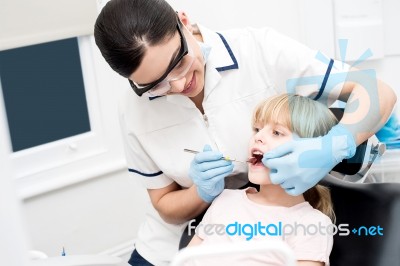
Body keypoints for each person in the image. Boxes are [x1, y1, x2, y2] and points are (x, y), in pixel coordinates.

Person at [93, 0, 396, 264]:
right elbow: (165, 207)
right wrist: (200, 193)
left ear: (184, 22)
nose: (177, 83)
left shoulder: (261, 50)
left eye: (179, 62)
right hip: (167, 250)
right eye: (156, 84)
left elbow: (375, 91)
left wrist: (331, 147)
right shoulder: (134, 108)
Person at [187, 94, 336, 266]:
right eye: (257, 129)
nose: (258, 137)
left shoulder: (311, 224)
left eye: (277, 132)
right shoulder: (225, 199)